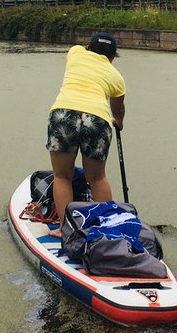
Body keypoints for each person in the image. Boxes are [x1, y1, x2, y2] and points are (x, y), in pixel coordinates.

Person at [44, 32, 125, 238]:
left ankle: (66, 229)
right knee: (97, 178)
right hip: (98, 119)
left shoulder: (76, 53)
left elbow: (78, 48)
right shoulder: (116, 77)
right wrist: (119, 122)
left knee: (62, 175)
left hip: (64, 114)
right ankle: (105, 229)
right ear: (113, 56)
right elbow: (118, 108)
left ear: (88, 47)